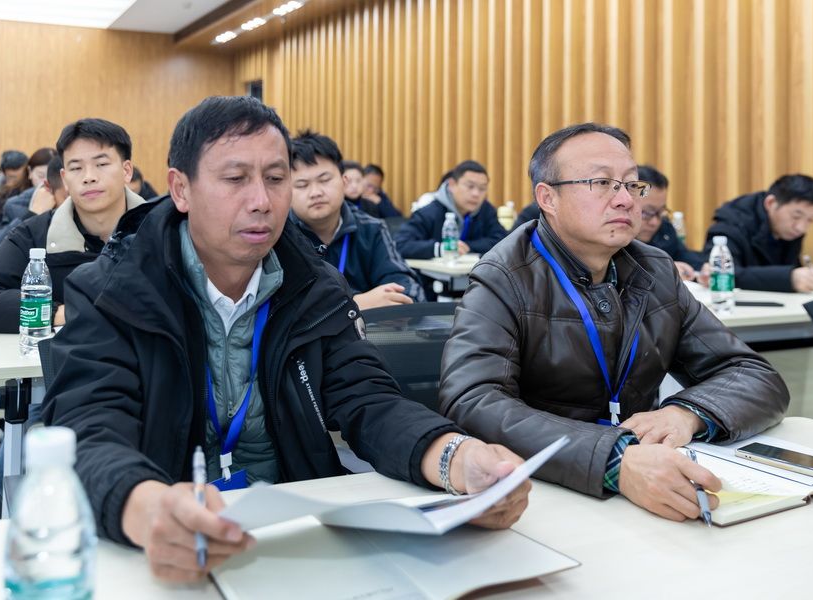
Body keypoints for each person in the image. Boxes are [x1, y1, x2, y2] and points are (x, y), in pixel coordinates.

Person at [42, 96, 529, 583]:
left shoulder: (314, 286)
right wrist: (146, 508)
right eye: (235, 179)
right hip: (163, 551)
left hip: (299, 540)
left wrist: (456, 458)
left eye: (276, 179)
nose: (261, 201)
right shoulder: (113, 291)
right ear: (181, 189)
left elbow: (368, 400)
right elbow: (89, 426)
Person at [439, 123, 789, 523]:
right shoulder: (504, 276)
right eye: (602, 183)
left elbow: (754, 375)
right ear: (548, 197)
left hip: (655, 480)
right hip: (543, 496)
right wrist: (614, 458)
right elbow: (472, 401)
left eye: (631, 185)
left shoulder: (654, 270)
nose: (625, 199)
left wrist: (686, 414)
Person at [0, 118, 143, 495]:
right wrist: (60, 311)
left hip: (154, 383)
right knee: (17, 470)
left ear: (127, 170)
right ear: (63, 177)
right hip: (66, 386)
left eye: (102, 163)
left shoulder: (163, 230)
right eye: (76, 168)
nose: (89, 176)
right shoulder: (38, 233)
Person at [289, 130, 424, 309]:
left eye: (324, 180)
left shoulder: (371, 229)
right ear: (286, 191)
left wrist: (397, 297)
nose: (316, 192)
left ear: (344, 182)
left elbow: (408, 288)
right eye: (302, 185)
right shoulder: (280, 235)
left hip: (369, 327)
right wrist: (355, 304)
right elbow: (287, 307)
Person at [703, 174, 813, 293]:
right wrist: (788, 278)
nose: (801, 228)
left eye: (811, 220)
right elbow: (718, 273)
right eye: (796, 216)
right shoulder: (731, 224)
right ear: (770, 203)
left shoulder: (787, 229)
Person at [394, 160, 507, 259]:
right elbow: (400, 244)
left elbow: (503, 241)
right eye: (470, 186)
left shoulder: (486, 210)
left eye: (482, 188)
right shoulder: (429, 212)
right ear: (452, 185)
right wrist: (440, 249)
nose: (476, 194)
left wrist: (467, 246)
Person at [634, 165, 705, 281]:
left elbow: (685, 257)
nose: (654, 222)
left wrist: (704, 268)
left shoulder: (664, 229)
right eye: (646, 213)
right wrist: (665, 269)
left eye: (660, 212)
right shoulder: (615, 238)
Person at [0, 147, 58, 251]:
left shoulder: (71, 202)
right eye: (41, 176)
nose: (46, 182)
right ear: (30, 172)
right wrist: (32, 213)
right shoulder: (14, 204)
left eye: (52, 177)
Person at [0, 150, 30, 242]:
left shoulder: (32, 192)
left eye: (14, 177)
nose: (10, 182)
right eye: (9, 177)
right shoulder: (5, 192)